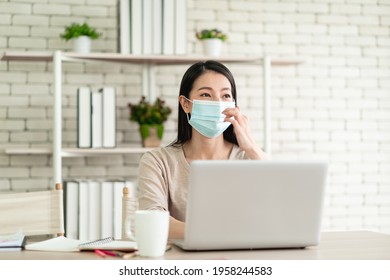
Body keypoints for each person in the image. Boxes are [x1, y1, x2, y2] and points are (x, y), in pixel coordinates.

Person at [137, 60, 267, 239]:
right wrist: (218, 234)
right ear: (185, 104)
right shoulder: (158, 161)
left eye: (226, 96)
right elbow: (152, 221)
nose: (217, 103)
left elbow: (282, 206)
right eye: (206, 94)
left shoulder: (250, 158)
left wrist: (252, 147)